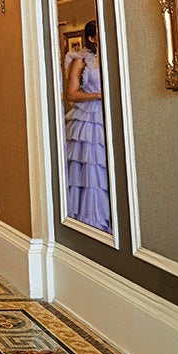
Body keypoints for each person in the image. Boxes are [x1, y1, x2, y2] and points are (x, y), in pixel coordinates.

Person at [64, 20, 110, 231]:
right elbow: (71, 94)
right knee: (92, 165)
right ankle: (92, 218)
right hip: (89, 117)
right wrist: (98, 95)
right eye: (100, 32)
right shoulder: (80, 60)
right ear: (92, 38)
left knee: (108, 164)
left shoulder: (114, 56)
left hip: (110, 114)